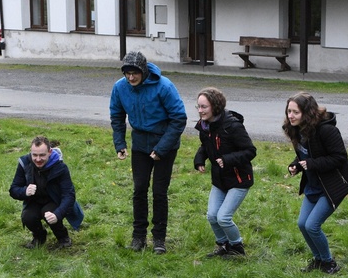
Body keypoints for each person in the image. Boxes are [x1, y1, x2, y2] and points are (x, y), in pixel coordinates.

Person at [110, 51, 187, 254]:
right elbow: (117, 116)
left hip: (165, 143)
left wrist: (161, 149)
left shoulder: (164, 86)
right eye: (127, 73)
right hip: (140, 145)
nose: (131, 77)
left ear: (143, 71)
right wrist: (120, 143)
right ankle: (138, 237)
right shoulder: (120, 88)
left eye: (135, 73)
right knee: (139, 189)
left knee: (159, 192)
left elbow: (179, 118)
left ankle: (159, 239)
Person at [283, 92, 348, 274]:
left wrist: (311, 164)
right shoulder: (296, 129)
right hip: (314, 183)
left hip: (334, 184)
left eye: (295, 112)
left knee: (312, 225)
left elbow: (340, 157)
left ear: (307, 113)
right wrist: (296, 166)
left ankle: (329, 262)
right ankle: (318, 260)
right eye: (289, 111)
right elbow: (305, 153)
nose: (290, 116)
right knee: (302, 224)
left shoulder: (326, 130)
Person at [193, 87, 256, 258]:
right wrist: (199, 159)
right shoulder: (205, 127)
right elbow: (205, 146)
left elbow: (250, 151)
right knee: (212, 216)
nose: (200, 111)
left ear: (215, 106)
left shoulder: (232, 126)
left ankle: (237, 248)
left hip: (239, 179)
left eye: (204, 107)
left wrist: (228, 159)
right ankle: (224, 244)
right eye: (198, 107)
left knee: (223, 217)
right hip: (220, 180)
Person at [9, 136, 83, 248]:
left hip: (54, 200)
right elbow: (13, 189)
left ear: (49, 152)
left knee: (49, 214)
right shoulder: (24, 163)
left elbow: (69, 195)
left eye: (42, 155)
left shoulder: (60, 167)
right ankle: (39, 237)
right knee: (27, 217)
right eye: (35, 155)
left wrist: (57, 214)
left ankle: (63, 236)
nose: (38, 159)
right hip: (35, 201)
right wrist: (25, 191)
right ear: (31, 152)